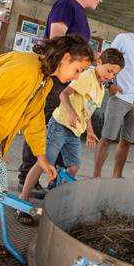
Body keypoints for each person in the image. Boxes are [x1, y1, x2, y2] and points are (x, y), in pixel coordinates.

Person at [0, 35, 94, 266]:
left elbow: (34, 120)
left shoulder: (44, 79)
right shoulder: (25, 68)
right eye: (78, 70)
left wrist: (42, 157)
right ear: (65, 58)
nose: (76, 77)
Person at [18, 0, 106, 197]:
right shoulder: (67, 4)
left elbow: (74, 48)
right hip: (55, 79)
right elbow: (58, 39)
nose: (101, 0)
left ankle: (48, 178)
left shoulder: (80, 14)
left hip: (65, 78)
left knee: (55, 131)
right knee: (43, 125)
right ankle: (26, 178)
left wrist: (94, 56)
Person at [17, 48, 125, 224]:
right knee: (43, 163)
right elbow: (63, 94)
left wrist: (90, 131)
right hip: (60, 125)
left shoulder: (101, 88)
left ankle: (55, 201)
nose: (110, 75)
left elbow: (87, 111)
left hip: (75, 132)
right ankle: (22, 202)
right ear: (98, 63)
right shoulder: (86, 77)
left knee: (74, 167)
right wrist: (72, 113)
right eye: (109, 70)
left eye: (114, 74)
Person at [94, 10, 134, 178]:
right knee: (107, 138)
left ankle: (117, 175)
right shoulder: (123, 39)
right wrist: (110, 85)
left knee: (127, 141)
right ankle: (96, 176)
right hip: (120, 96)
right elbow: (106, 60)